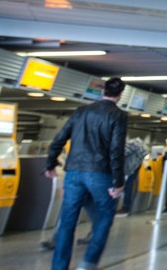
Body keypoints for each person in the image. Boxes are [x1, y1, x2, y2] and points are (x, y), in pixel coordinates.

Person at [45, 77, 127, 270]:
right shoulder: (118, 115)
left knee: (67, 220)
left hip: (73, 172)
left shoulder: (81, 112)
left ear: (102, 91)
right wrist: (118, 181)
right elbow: (116, 150)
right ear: (120, 94)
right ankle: (88, 263)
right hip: (100, 173)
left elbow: (58, 140)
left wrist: (50, 165)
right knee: (105, 215)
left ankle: (59, 267)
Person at [117, 137, 148, 216]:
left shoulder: (128, 146)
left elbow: (120, 154)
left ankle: (125, 208)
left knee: (126, 187)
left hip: (130, 168)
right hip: (135, 166)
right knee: (128, 186)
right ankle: (125, 207)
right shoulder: (138, 146)